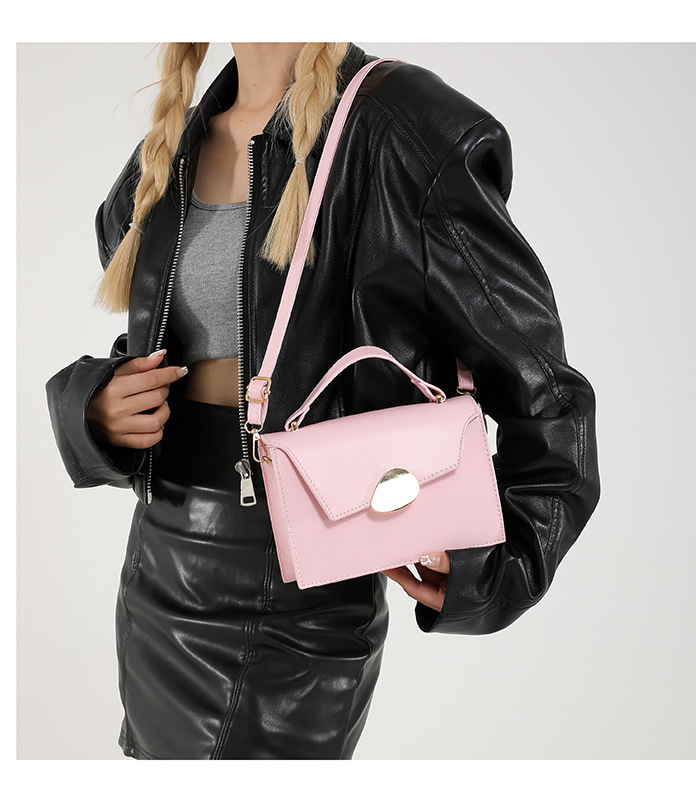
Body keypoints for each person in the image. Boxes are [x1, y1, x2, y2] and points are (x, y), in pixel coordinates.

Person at [45, 42, 601, 760]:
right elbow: (175, 346)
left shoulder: (399, 125)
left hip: (299, 600)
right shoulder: (177, 140)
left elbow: (546, 390)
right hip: (159, 568)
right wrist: (94, 410)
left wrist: (505, 564)